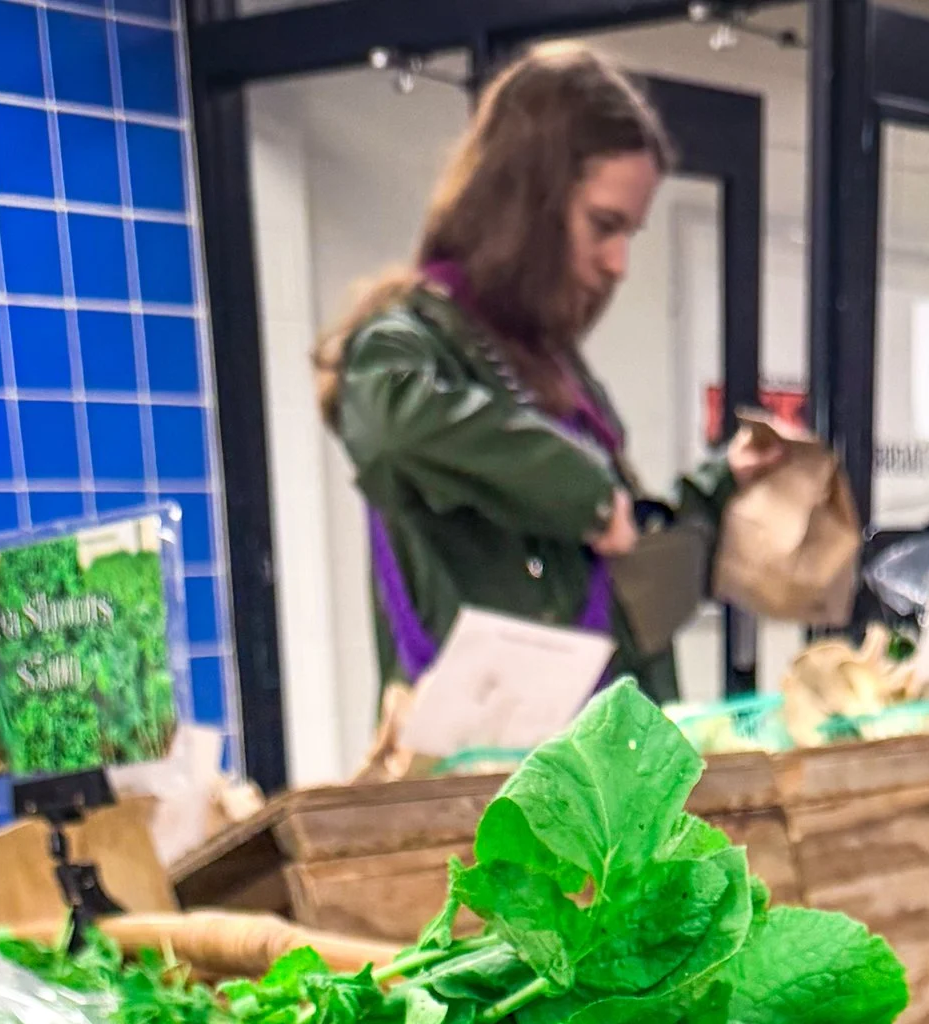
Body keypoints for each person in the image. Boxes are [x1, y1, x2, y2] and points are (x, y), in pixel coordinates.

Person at [314, 44, 781, 708]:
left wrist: (720, 483)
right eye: (603, 225)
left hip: (610, 771)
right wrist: (585, 495)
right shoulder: (402, 344)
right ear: (525, 202)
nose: (619, 263)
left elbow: (618, 556)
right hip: (490, 787)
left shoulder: (555, 369)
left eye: (631, 234)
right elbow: (392, 427)